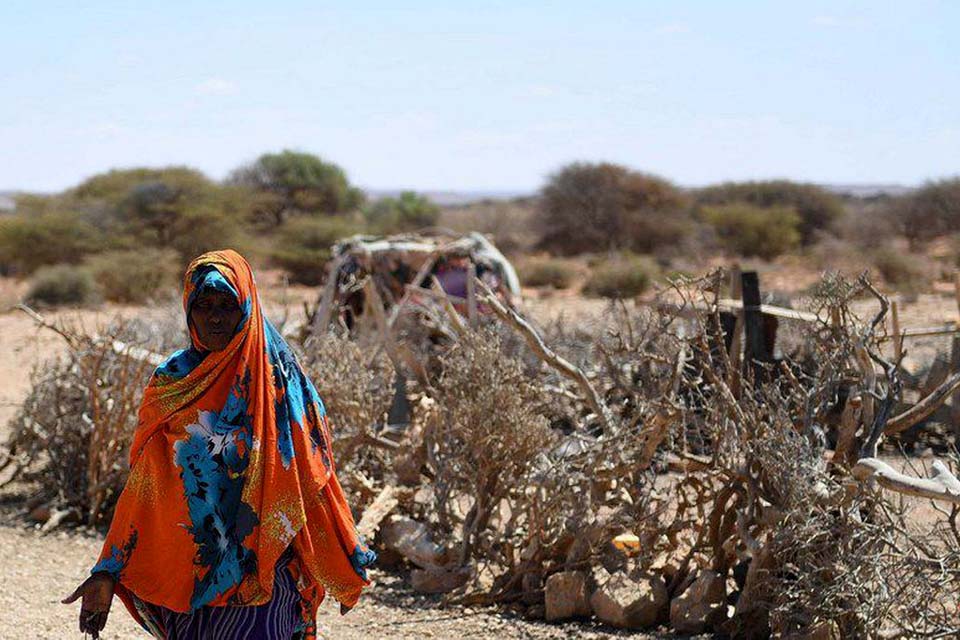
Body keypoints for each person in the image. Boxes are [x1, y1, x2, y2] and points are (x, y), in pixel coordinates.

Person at [62, 250, 375, 639]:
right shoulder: (172, 383)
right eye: (204, 305)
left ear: (246, 307)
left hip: (265, 568)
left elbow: (311, 478)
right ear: (188, 309)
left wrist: (339, 560)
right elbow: (146, 486)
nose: (215, 317)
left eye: (227, 305)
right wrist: (107, 570)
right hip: (188, 573)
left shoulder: (279, 382)